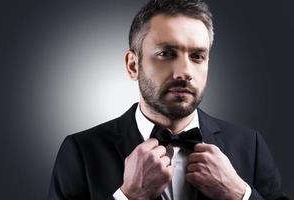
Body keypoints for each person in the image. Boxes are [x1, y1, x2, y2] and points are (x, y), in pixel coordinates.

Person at [48, 0, 288, 199]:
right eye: (166, 53)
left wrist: (240, 194)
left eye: (197, 56)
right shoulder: (81, 151)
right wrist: (128, 196)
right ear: (133, 65)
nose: (184, 72)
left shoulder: (249, 145)